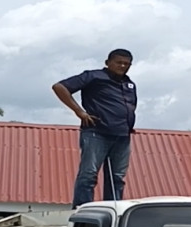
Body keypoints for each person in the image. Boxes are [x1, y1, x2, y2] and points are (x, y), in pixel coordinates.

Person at [52, 49, 137, 209]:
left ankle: (113, 208)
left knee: (117, 177)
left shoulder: (129, 84)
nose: (123, 66)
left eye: (127, 64)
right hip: (96, 132)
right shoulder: (94, 76)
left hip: (122, 135)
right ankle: (82, 208)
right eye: (119, 62)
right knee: (89, 174)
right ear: (108, 62)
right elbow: (60, 87)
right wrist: (79, 112)